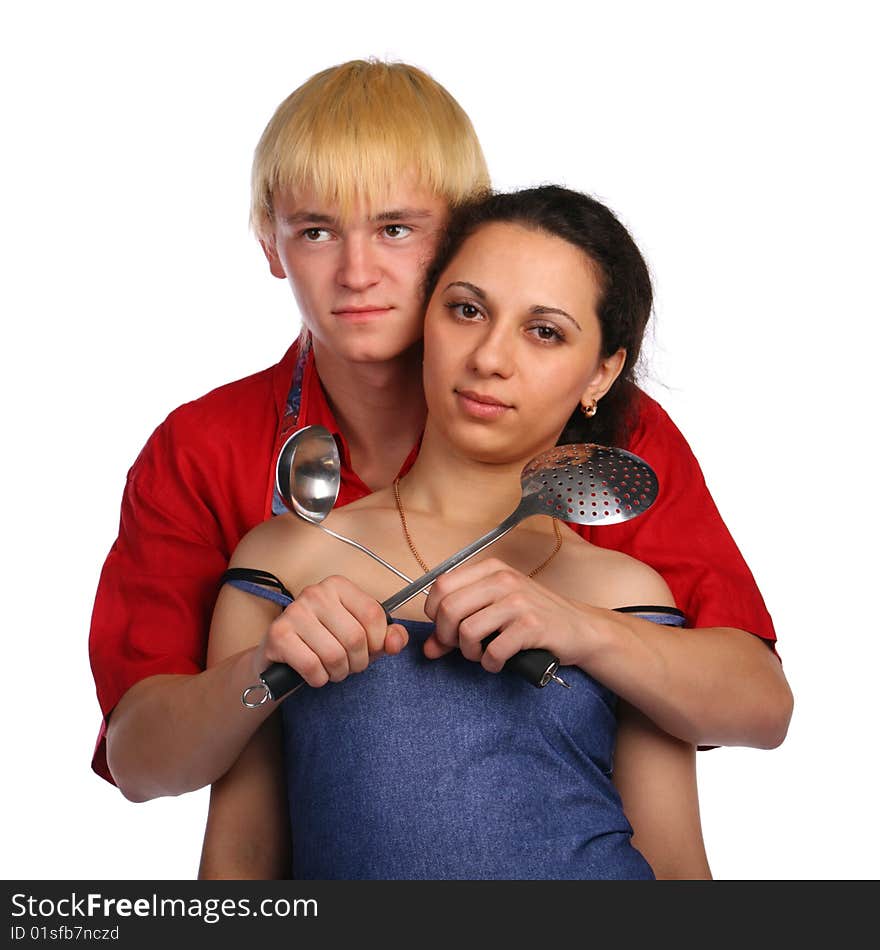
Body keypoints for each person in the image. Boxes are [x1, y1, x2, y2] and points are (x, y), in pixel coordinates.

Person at [91, 59, 792, 803]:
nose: (357, 272)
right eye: (317, 230)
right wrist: (265, 667)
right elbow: (141, 761)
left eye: (396, 228)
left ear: (463, 235)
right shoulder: (201, 448)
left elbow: (759, 705)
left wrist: (586, 628)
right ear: (271, 245)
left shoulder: (603, 430)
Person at [198, 185, 713, 879]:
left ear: (602, 373)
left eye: (545, 332)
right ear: (423, 320)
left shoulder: (624, 591)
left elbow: (679, 867)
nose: (489, 359)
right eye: (466, 311)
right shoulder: (285, 561)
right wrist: (262, 671)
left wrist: (588, 632)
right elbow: (239, 861)